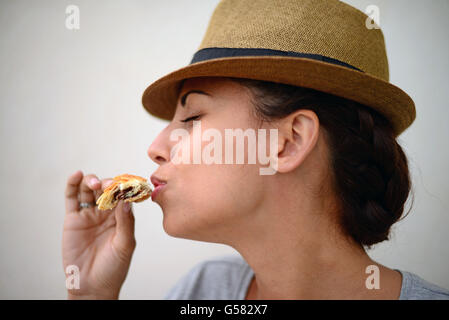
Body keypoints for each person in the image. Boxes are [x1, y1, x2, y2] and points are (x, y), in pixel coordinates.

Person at [63, 0, 449, 299]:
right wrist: (92, 295)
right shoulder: (206, 289)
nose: (156, 148)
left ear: (288, 141)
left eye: (192, 117)